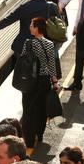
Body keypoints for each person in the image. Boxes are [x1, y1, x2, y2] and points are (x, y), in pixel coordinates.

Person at [19, 18, 59, 150]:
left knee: (28, 110)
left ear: (37, 28)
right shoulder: (50, 44)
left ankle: (29, 140)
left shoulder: (28, 43)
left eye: (31, 25)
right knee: (41, 109)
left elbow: (24, 62)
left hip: (31, 82)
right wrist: (54, 82)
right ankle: (40, 134)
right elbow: (52, 65)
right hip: (44, 82)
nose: (30, 27)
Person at [43, 0, 64, 79]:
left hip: (50, 37)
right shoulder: (58, 7)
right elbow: (63, 22)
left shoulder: (49, 7)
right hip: (56, 37)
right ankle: (56, 77)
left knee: (53, 56)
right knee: (54, 55)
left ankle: (55, 77)